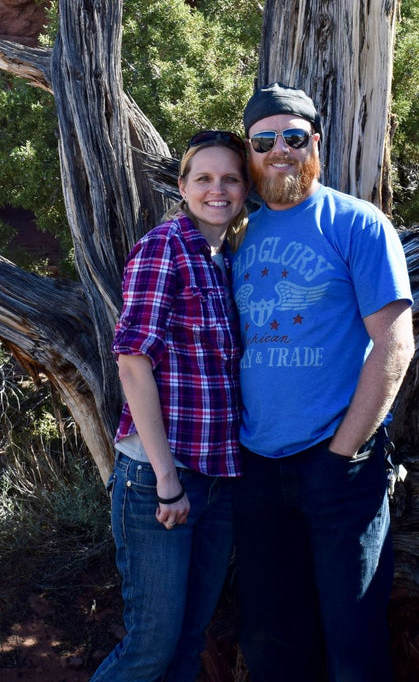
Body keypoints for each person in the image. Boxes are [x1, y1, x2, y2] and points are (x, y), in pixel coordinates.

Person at [230, 83, 415, 682]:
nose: (278, 150)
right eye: (264, 140)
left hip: (341, 465)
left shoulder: (357, 223)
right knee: (270, 643)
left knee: (353, 645)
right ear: (250, 152)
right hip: (255, 467)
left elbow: (395, 342)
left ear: (315, 142)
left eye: (292, 137)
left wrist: (342, 454)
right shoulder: (235, 236)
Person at [91, 129, 250, 682]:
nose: (218, 189)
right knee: (149, 651)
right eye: (204, 178)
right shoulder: (165, 247)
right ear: (181, 186)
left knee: (186, 645)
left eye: (230, 178)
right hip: (160, 480)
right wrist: (166, 479)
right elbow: (133, 361)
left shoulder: (225, 259)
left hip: (218, 480)